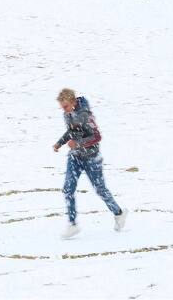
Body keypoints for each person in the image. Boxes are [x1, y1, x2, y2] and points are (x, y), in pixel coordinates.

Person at [53, 88, 127, 239]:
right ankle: (72, 224)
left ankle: (119, 213)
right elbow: (72, 132)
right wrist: (60, 143)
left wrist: (78, 144)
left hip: (92, 158)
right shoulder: (67, 114)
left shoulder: (86, 115)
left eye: (66, 106)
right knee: (68, 189)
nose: (64, 110)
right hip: (75, 158)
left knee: (100, 190)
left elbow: (97, 137)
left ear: (73, 102)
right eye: (62, 107)